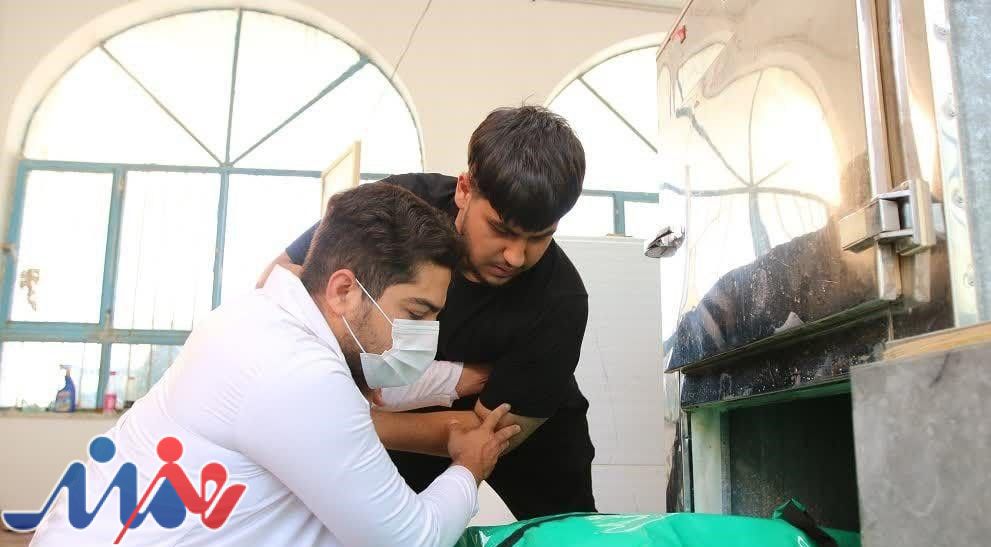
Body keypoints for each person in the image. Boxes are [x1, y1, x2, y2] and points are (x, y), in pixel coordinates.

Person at [30, 183, 518, 547]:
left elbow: (373, 381)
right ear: (345, 290)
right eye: (416, 314)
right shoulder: (300, 375)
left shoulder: (260, 317)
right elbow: (410, 539)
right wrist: (469, 466)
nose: (426, 336)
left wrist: (461, 380)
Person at [261, 105, 597, 519]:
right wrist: (354, 415)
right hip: (394, 416)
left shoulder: (560, 301)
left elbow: (484, 433)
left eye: (539, 237)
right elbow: (280, 284)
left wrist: (350, 421)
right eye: (501, 229)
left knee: (562, 531)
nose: (515, 255)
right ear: (464, 190)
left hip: (523, 433)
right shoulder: (399, 211)